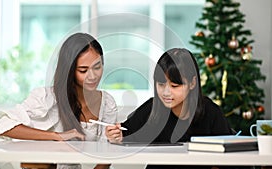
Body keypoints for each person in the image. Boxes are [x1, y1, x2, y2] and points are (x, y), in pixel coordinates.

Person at [105, 48, 250, 169]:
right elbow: (126, 133)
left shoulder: (211, 113)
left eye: (175, 86)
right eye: (161, 84)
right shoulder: (152, 108)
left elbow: (231, 158)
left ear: (192, 83)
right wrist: (116, 136)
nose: (166, 92)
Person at [0, 32, 118, 169]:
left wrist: (115, 140)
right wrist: (57, 136)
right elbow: (3, 126)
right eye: (83, 70)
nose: (93, 76)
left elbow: (107, 155)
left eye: (97, 67)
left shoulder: (107, 103)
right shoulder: (46, 97)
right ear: (69, 70)